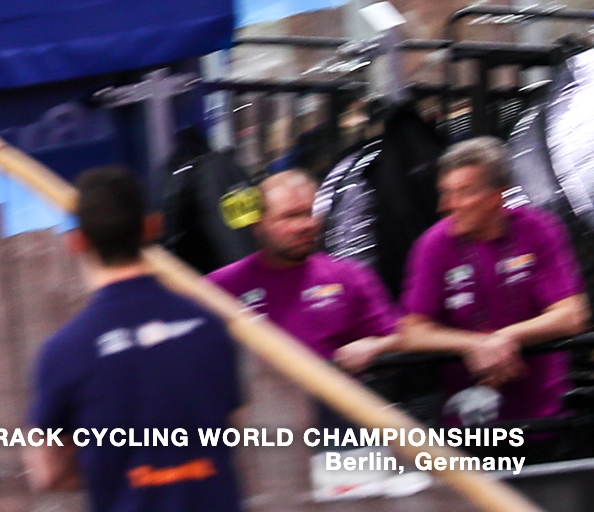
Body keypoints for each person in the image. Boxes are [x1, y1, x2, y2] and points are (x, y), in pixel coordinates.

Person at [26, 167, 243, 511]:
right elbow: (229, 434)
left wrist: (110, 468)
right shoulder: (210, 326)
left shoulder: (63, 351)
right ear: (152, 227)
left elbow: (47, 473)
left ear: (77, 241)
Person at [395, 137, 588, 422]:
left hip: (544, 416)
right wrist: (473, 344)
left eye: (463, 192)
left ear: (497, 196)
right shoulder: (433, 245)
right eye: (445, 192)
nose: (448, 205)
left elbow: (572, 315)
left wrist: (504, 338)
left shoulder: (539, 229)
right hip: (465, 424)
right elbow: (411, 331)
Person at [208, 170, 399, 373]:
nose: (305, 225)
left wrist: (376, 346)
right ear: (258, 224)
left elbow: (400, 338)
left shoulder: (348, 278)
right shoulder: (219, 288)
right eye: (290, 216)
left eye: (309, 213)